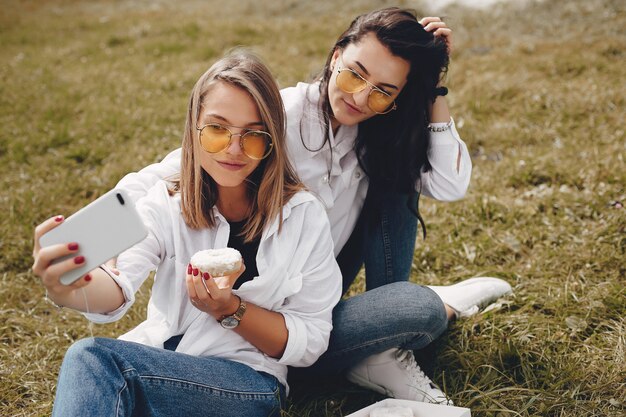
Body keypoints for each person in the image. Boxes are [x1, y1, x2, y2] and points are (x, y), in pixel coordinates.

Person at [110, 9, 512, 405]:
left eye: (383, 91)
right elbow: (165, 175)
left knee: (398, 168)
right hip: (266, 327)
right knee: (419, 306)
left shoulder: (376, 131)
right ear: (336, 55)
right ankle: (409, 323)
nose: (360, 97)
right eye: (355, 73)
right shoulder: (277, 117)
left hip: (314, 305)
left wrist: (430, 87)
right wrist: (91, 241)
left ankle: (382, 348)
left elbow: (449, 183)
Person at [31, 51, 342, 417]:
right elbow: (117, 286)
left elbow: (311, 341)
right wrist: (68, 287)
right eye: (216, 130)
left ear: (272, 140)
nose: (233, 149)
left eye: (253, 136)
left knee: (94, 360)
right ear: (193, 129)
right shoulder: (165, 203)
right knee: (96, 364)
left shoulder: (303, 216)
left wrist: (231, 309)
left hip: (248, 383)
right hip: (160, 363)